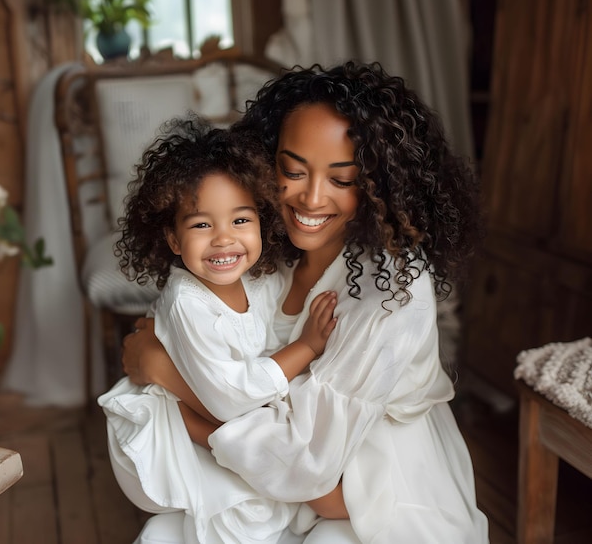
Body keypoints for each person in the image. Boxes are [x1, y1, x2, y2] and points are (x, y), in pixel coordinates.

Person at [121, 62, 490, 543]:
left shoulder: (394, 288)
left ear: (380, 185)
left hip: (372, 484)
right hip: (269, 467)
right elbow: (206, 334)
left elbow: (305, 462)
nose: (311, 199)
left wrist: (166, 377)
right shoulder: (264, 242)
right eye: (292, 170)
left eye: (342, 180)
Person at [97, 119, 340, 544]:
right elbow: (229, 398)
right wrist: (307, 347)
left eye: (241, 220)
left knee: (275, 497)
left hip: (213, 407)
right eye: (201, 225)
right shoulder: (187, 302)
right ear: (173, 238)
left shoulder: (260, 278)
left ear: (262, 222)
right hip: (165, 432)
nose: (225, 240)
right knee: (244, 517)